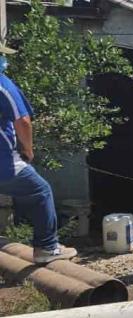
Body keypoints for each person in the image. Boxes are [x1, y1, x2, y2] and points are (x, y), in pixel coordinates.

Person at [0, 45, 76, 263]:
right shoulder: (3, 84)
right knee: (40, 191)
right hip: (4, 162)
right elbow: (23, 121)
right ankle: (47, 247)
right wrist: (28, 149)